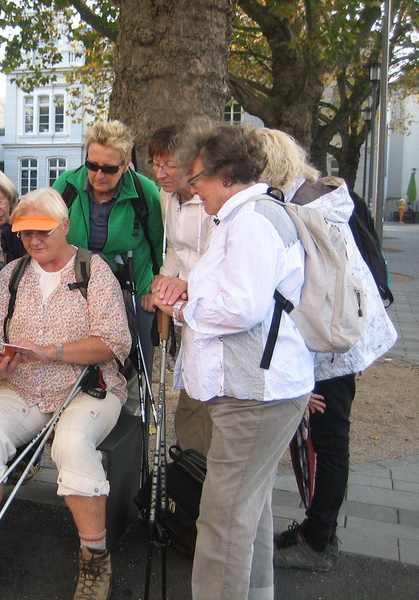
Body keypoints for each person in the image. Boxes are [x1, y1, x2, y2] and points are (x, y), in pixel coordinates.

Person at [0, 188, 132, 600]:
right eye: (24, 233)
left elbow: (115, 343)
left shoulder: (92, 270)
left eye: (41, 232)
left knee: (72, 442)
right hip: (22, 384)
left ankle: (95, 560)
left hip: (89, 386)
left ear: (64, 226)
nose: (33, 241)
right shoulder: (11, 274)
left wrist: (53, 351)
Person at [152, 121, 314, 599]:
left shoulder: (252, 220)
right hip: (257, 389)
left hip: (256, 394)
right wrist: (189, 288)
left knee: (222, 522)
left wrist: (181, 305)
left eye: (198, 177)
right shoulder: (247, 217)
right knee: (249, 512)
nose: (193, 187)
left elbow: (242, 308)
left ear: (226, 174)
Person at [256, 128, 397, 572]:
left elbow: (306, 290)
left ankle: (319, 540)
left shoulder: (301, 207)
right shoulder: (330, 195)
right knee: (328, 436)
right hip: (348, 332)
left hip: (330, 341)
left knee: (329, 437)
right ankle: (319, 529)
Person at [52, 120, 163, 373]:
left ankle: (135, 406)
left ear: (125, 166)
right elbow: (48, 236)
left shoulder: (145, 193)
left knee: (137, 364)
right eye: (92, 165)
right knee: (79, 362)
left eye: (109, 169)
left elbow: (159, 246)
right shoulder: (67, 186)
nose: (98, 175)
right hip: (78, 288)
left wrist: (153, 289)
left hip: (133, 286)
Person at [148, 124, 215, 455]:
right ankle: (191, 467)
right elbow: (176, 247)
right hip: (185, 306)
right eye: (155, 164)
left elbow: (218, 258)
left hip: (209, 304)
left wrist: (183, 285)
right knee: (191, 387)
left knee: (209, 393)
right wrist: (163, 279)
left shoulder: (212, 199)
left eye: (167, 165)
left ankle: (203, 468)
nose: (158, 174)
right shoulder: (166, 196)